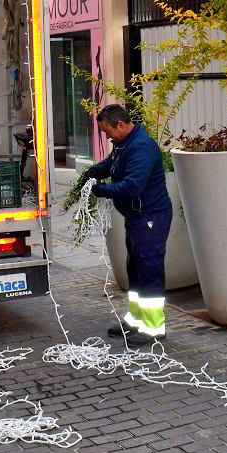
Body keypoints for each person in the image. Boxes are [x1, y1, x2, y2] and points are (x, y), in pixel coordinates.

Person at [86, 104, 172, 344]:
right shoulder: (125, 144)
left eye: (107, 131)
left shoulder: (141, 147)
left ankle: (154, 328)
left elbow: (133, 186)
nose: (107, 136)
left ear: (120, 125)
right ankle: (136, 320)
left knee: (149, 272)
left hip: (150, 217)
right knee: (135, 270)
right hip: (137, 217)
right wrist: (95, 171)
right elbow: (113, 164)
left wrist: (101, 189)